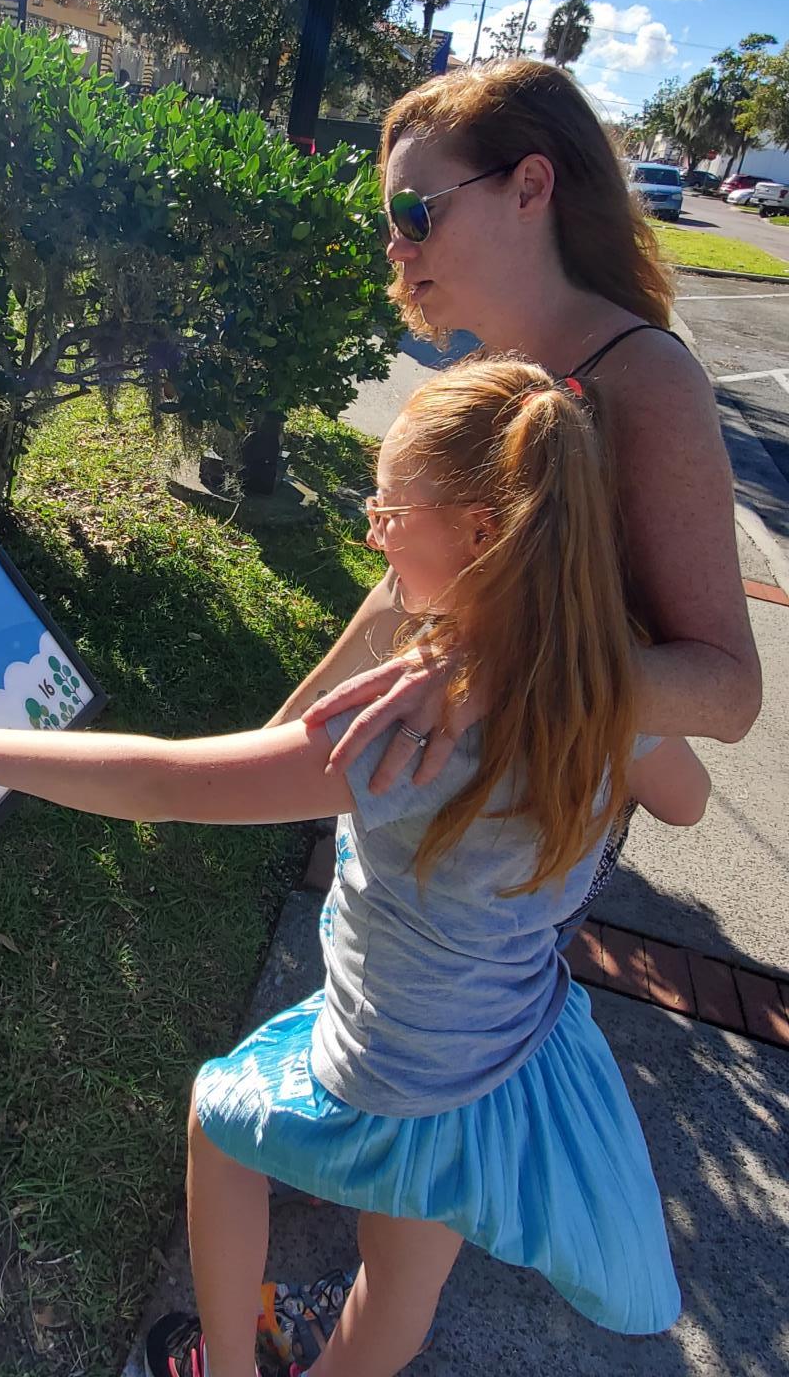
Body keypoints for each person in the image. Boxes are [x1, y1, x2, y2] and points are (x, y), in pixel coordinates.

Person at [0, 357, 709, 1377]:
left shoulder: (407, 732)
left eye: (392, 511)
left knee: (220, 1125)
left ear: (483, 534)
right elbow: (688, 796)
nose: (371, 532)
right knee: (399, 1277)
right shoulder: (610, 685)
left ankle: (224, 1367)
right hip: (502, 1050)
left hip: (394, 1060)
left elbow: (165, 783)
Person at [273, 60, 758, 943]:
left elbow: (729, 693)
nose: (396, 246)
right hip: (449, 838)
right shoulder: (498, 372)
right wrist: (283, 732)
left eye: (416, 213)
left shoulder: (650, 379)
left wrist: (488, 669)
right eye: (391, 220)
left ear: (530, 185)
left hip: (513, 879)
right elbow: (409, 590)